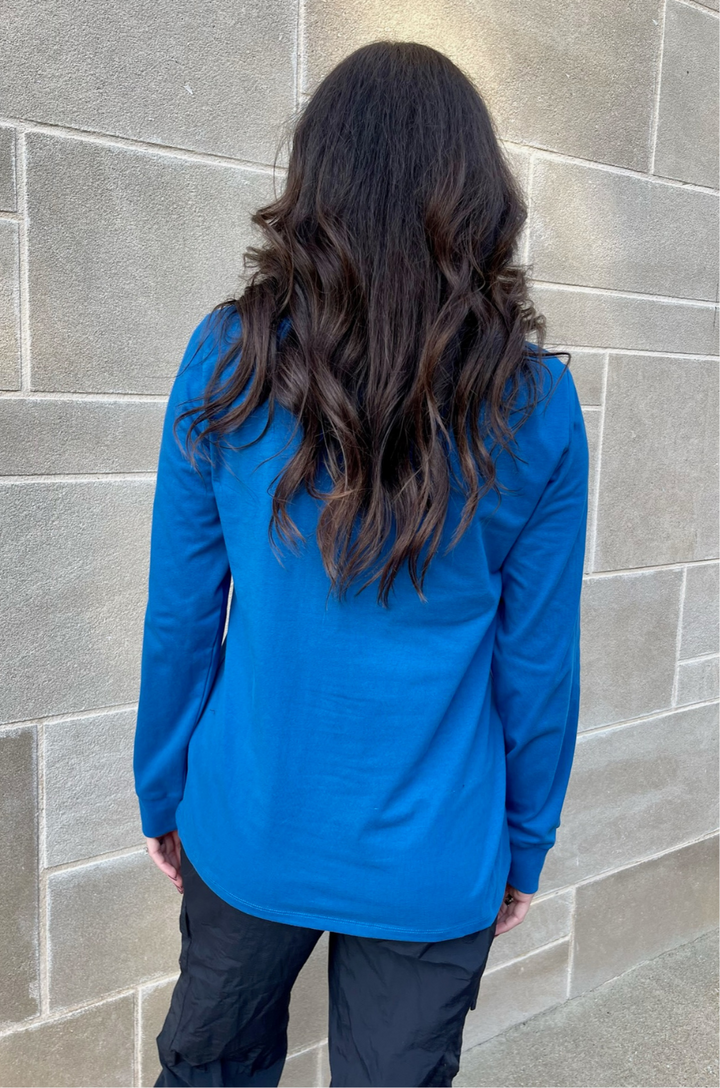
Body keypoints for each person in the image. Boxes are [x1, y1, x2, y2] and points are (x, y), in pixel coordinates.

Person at [133, 39, 589, 1088]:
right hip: (434, 849)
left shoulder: (229, 360)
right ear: (478, 197)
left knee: (208, 1071)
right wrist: (525, 839)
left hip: (249, 820)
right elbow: (537, 662)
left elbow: (181, 616)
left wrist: (163, 788)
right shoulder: (536, 404)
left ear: (315, 184)